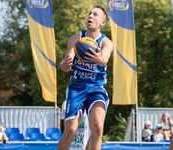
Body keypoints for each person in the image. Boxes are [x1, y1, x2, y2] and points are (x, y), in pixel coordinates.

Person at [57, 4, 113, 150]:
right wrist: (64, 64)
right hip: (77, 88)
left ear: (102, 22)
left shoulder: (106, 42)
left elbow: (104, 59)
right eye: (90, 13)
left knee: (98, 128)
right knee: (70, 131)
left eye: (95, 14)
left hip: (96, 88)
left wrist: (98, 58)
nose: (91, 16)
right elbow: (67, 61)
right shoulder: (76, 40)